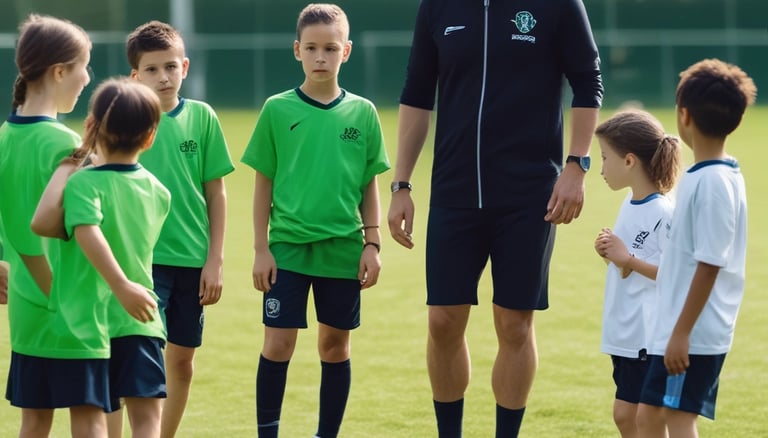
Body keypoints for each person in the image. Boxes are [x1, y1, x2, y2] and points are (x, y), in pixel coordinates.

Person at [387, 1, 603, 436]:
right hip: (454, 189)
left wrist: (576, 166)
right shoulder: (437, 6)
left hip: (529, 194)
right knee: (443, 321)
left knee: (515, 323)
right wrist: (402, 184)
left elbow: (588, 80)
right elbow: (416, 91)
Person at [241, 4, 390, 437]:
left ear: (346, 51)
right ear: (297, 51)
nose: (320, 56)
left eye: (329, 48)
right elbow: (262, 185)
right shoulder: (277, 109)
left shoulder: (363, 112)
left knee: (334, 345)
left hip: (343, 250)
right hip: (286, 250)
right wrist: (260, 249)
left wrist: (372, 244)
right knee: (278, 344)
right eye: (311, 48)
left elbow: (369, 184)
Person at [31, 77, 171, 438]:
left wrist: (120, 286)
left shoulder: (82, 184)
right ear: (150, 136)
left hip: (89, 322)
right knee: (147, 420)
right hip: (142, 320)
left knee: (92, 419)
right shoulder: (158, 191)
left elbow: (68, 227)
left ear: (91, 126)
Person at [636, 59, 757, 437]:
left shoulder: (714, 184)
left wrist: (681, 333)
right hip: (680, 328)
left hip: (693, 333)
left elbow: (709, 264)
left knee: (676, 418)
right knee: (650, 417)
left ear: (683, 115)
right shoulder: (707, 174)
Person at [126, 20, 235, 437]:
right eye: (151, 70)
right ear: (135, 76)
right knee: (139, 360)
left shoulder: (202, 117)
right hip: (142, 262)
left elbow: (217, 194)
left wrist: (216, 260)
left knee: (183, 361)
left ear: (185, 67)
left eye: (170, 66)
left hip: (193, 261)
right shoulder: (126, 121)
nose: (163, 77)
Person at [0, 14, 91, 437]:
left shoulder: (4, 136)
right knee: (88, 418)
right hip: (70, 307)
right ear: (59, 71)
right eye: (83, 66)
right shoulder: (66, 147)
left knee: (33, 422)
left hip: (25, 311)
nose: (87, 78)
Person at [593, 110, 682, 437]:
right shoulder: (630, 204)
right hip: (626, 333)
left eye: (604, 158)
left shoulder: (663, 211)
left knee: (641, 418)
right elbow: (628, 267)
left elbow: (675, 276)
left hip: (650, 336)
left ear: (629, 161)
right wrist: (611, 255)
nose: (600, 168)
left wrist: (627, 258)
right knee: (626, 416)